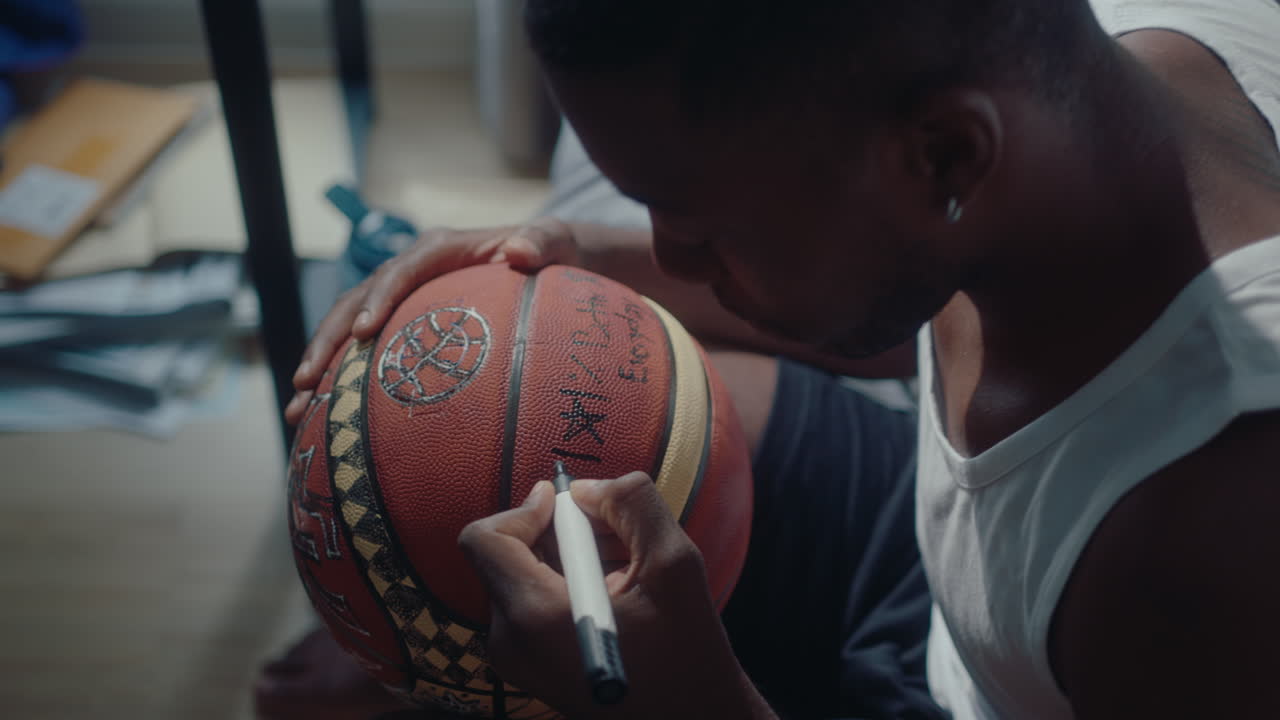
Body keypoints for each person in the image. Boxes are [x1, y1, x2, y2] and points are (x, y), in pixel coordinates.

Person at [259, 0, 1280, 717]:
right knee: (491, 454)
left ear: (944, 158)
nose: (660, 255)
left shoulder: (1203, 551)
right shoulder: (1071, 90)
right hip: (944, 567)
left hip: (1018, 672)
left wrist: (689, 706)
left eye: (696, 224)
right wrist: (570, 254)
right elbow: (903, 303)